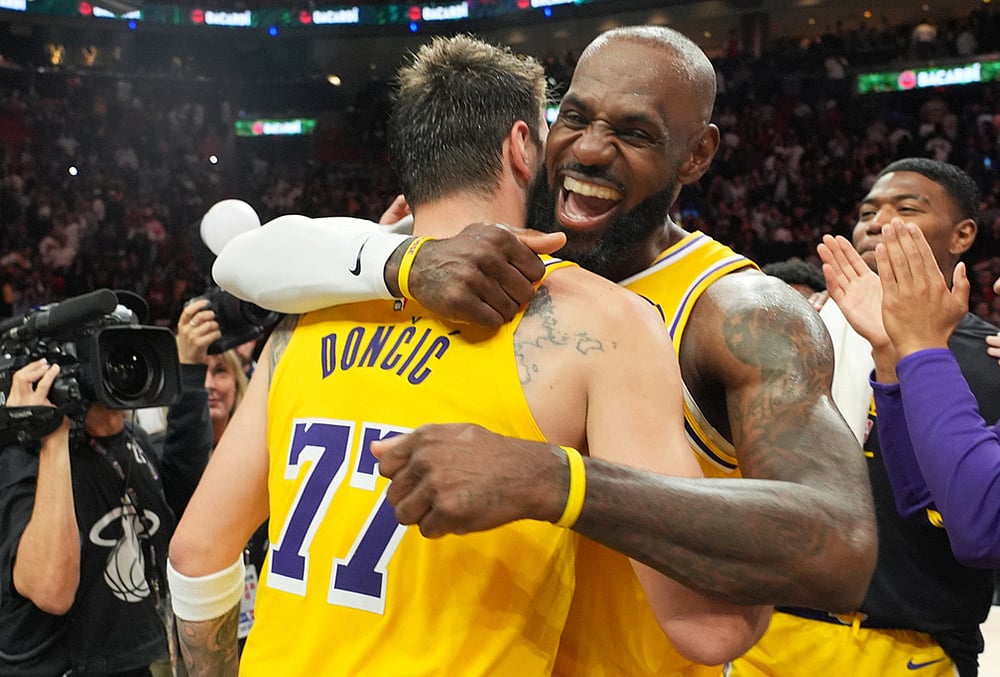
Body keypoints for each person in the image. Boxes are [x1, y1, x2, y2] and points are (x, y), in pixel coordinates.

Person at [213, 25, 877, 675]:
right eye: (576, 118)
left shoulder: (738, 310)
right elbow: (247, 260)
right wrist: (398, 262)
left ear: (698, 155)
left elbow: (841, 543)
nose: (588, 150)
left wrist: (552, 478)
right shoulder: (464, 257)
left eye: (634, 131)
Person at [733, 158, 1000, 676]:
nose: (876, 222)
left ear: (962, 234)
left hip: (909, 643)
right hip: (773, 631)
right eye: (867, 211)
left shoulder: (987, 356)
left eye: (906, 209)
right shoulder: (797, 337)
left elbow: (976, 525)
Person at [0, 298, 201, 675]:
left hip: (133, 662)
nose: (125, 364)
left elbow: (187, 504)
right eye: (109, 349)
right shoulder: (23, 457)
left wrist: (190, 375)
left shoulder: (133, 442)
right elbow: (51, 591)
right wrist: (51, 433)